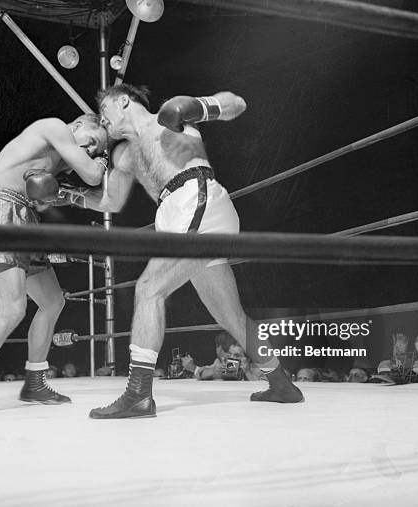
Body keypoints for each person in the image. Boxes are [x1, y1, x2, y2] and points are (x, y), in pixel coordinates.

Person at [59, 84, 303, 418]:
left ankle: (139, 395)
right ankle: (281, 383)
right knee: (230, 316)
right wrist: (65, 194)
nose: (102, 120)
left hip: (194, 197)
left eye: (104, 111)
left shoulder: (168, 118)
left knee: (148, 289)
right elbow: (110, 201)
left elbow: (237, 103)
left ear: (123, 100)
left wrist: (200, 106)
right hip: (176, 213)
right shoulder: (125, 154)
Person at [0, 113, 108, 417]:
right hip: (2, 210)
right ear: (79, 125)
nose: (91, 150)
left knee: (52, 301)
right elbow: (93, 175)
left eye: (96, 148)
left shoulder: (58, 160)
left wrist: (56, 194)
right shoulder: (54, 127)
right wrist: (104, 158)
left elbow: (70, 199)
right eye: (93, 141)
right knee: (11, 310)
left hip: (24, 218)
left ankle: (35, 381)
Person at [181, 332, 263, 381]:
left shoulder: (258, 368)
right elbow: (201, 373)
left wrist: (248, 372)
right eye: (230, 354)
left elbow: (262, 388)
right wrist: (214, 371)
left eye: (237, 355)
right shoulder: (228, 366)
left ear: (248, 359)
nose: (232, 358)